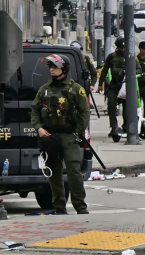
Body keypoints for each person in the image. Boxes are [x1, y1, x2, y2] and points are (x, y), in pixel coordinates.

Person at [32, 54, 90, 214]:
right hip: (50, 137)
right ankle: (59, 207)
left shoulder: (76, 89)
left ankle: (80, 207)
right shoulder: (44, 90)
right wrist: (38, 128)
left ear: (63, 69)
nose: (51, 70)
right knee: (54, 174)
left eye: (55, 67)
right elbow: (35, 111)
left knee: (74, 173)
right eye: (50, 67)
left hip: (68, 137)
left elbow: (84, 113)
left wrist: (77, 132)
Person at [96, 39, 127, 141]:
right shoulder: (112, 56)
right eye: (120, 47)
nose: (122, 49)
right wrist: (100, 84)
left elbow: (138, 68)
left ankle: (126, 126)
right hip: (114, 85)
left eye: (123, 47)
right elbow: (104, 70)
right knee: (111, 106)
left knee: (127, 107)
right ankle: (114, 127)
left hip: (125, 86)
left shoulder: (129, 56)